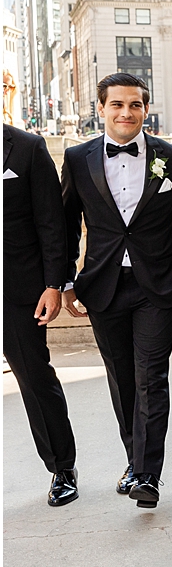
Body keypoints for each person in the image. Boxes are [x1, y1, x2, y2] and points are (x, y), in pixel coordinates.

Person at [61, 73, 172, 509]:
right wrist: (65, 280)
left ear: (146, 109)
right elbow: (65, 225)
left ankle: (148, 474)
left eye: (135, 105)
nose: (126, 113)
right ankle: (134, 460)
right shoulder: (77, 158)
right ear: (101, 109)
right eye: (117, 104)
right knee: (122, 379)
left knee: (151, 377)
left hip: (157, 285)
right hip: (102, 286)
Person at [4, 123, 77, 506]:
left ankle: (62, 467)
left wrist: (54, 283)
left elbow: (51, 222)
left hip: (16, 287)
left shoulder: (28, 148)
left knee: (34, 376)